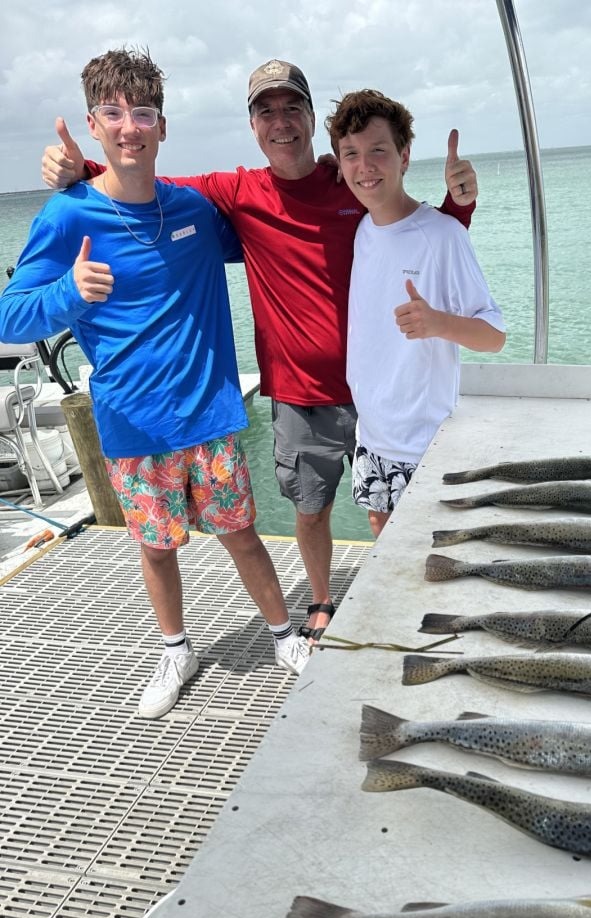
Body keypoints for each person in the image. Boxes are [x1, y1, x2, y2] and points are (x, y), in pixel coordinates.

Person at [41, 59, 479, 644]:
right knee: (311, 509)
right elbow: (148, 187)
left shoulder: (350, 180)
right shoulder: (237, 192)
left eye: (292, 107)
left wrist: (458, 206)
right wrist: (84, 169)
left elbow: (417, 237)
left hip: (381, 387)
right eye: (266, 111)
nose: (281, 121)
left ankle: (414, 596)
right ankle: (320, 601)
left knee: (395, 510)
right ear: (252, 126)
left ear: (312, 119)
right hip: (300, 393)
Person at [1, 47, 310, 720]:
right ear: (92, 125)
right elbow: (10, 314)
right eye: (112, 114)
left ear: (162, 127)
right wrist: (68, 293)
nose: (129, 127)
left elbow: (269, 231)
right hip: (131, 423)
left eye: (142, 113)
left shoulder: (195, 210)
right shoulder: (67, 216)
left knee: (242, 533)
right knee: (156, 547)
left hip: (209, 414)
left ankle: (285, 633)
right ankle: (176, 650)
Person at [325, 90, 506, 536]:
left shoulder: (443, 235)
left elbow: (494, 335)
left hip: (424, 441)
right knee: (381, 533)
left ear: (404, 156)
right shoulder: (361, 228)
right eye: (351, 154)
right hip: (372, 434)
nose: (365, 166)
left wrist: (438, 322)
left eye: (378, 151)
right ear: (340, 164)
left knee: (429, 548)